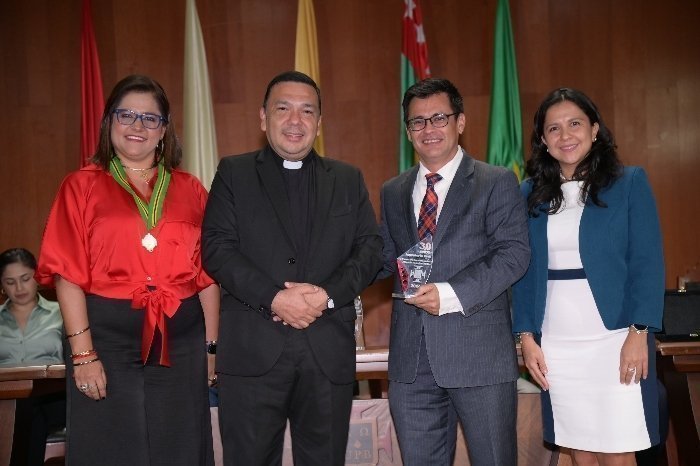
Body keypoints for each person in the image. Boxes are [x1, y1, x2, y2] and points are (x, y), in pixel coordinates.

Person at [36, 74, 220, 466]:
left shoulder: (191, 189)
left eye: (150, 118)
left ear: (164, 130)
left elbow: (208, 276)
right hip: (106, 339)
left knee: (181, 447)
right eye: (127, 115)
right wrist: (83, 354)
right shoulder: (80, 186)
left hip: (182, 339)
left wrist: (212, 348)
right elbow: (67, 273)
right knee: (111, 448)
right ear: (109, 123)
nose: (138, 126)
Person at [202, 70, 382, 466]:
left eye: (307, 111)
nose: (295, 120)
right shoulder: (234, 173)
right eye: (283, 109)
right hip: (252, 354)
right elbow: (217, 249)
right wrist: (275, 299)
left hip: (326, 355)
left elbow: (370, 249)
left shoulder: (348, 179)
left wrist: (327, 294)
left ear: (319, 123)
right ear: (263, 118)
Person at [378, 78, 530, 465]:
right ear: (407, 130)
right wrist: (323, 281)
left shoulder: (495, 181)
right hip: (411, 362)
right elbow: (382, 258)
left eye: (439, 118)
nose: (428, 129)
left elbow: (513, 254)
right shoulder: (392, 191)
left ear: (460, 122)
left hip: (478, 354)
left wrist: (448, 294)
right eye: (417, 122)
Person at [512, 88, 664, 464]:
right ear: (544, 142)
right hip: (557, 344)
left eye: (575, 123)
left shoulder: (629, 183)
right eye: (554, 128)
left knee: (617, 451)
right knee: (579, 449)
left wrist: (639, 332)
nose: (566, 136)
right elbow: (522, 273)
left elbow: (647, 262)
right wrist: (526, 336)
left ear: (595, 129)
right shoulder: (528, 194)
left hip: (615, 339)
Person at [1, 247, 65, 466]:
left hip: (53, 396)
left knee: (30, 410)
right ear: (2, 285)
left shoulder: (62, 312)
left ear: (36, 276)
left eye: (25, 279)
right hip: (4, 401)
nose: (19, 288)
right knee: (21, 409)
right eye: (10, 282)